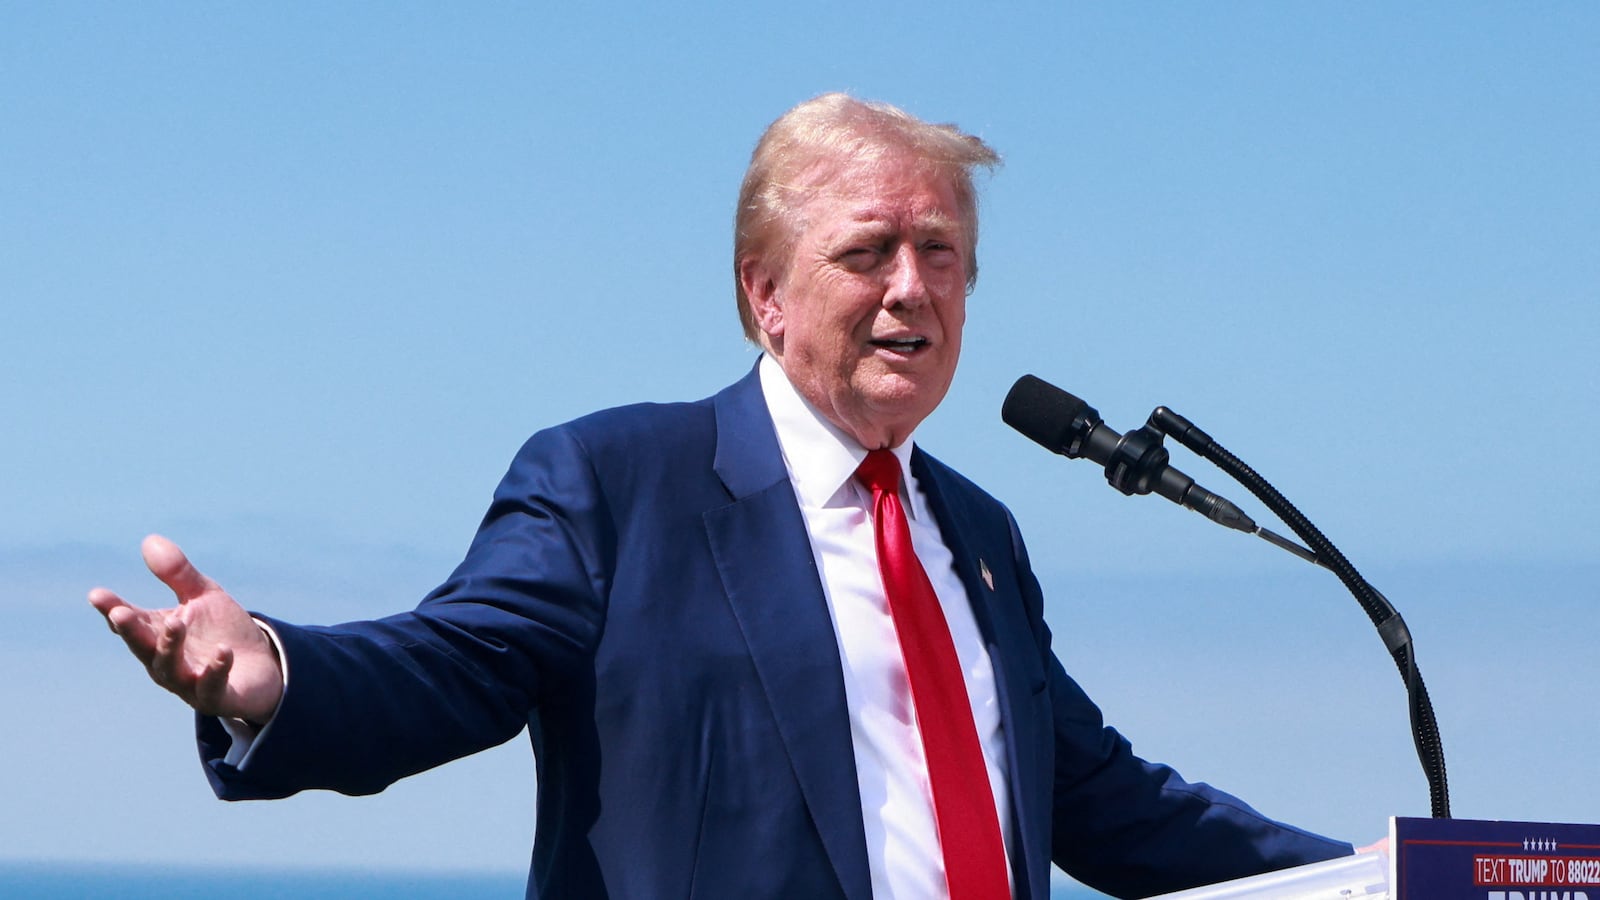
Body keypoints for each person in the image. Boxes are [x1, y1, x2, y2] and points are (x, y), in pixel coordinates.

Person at [90, 94, 1355, 900]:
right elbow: (448, 667)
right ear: (765, 294)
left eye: (943, 256)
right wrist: (271, 671)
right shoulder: (616, 484)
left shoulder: (978, 533)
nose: (913, 289)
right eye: (867, 252)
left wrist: (1384, 883)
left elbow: (1096, 799)